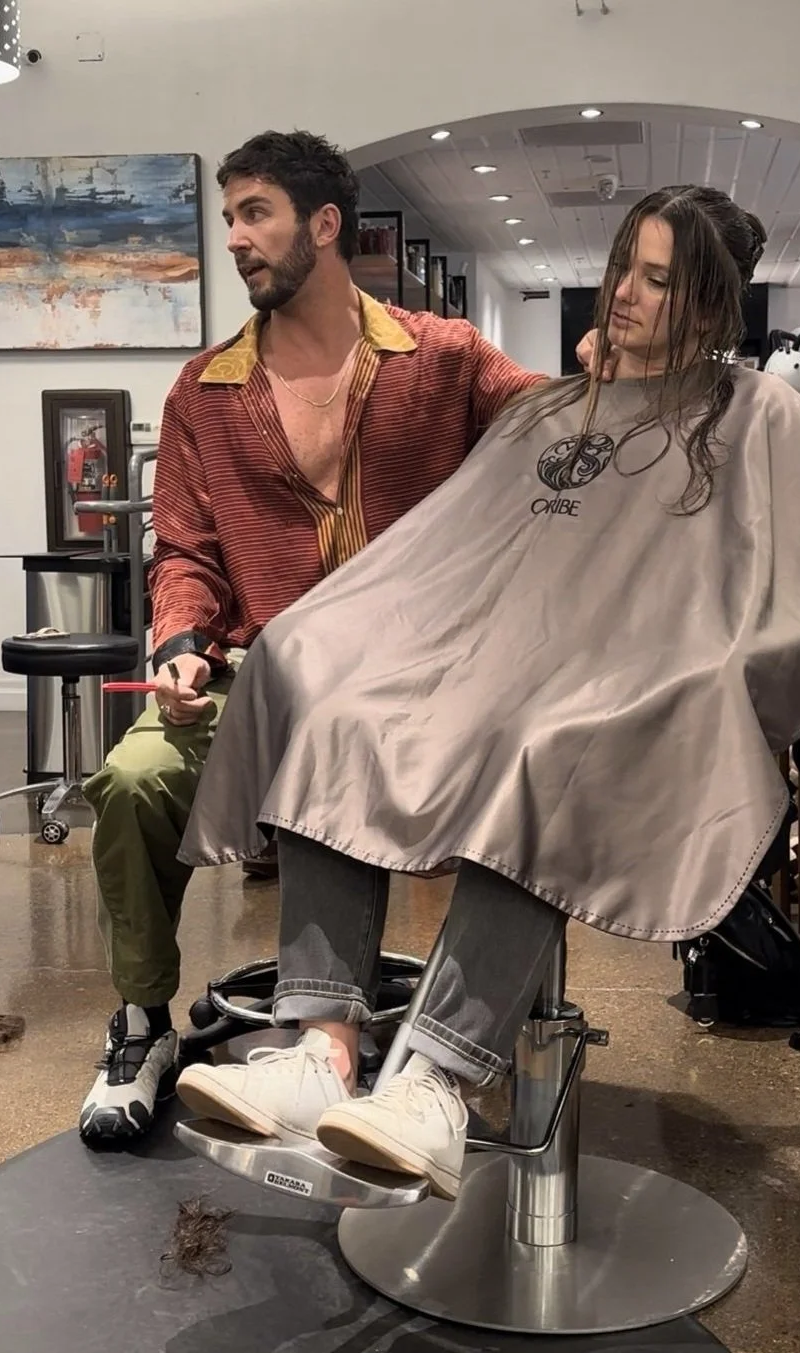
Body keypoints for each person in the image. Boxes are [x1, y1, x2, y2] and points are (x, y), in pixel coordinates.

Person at [172, 185, 800, 1201]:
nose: (622, 293)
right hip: (498, 663)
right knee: (333, 697)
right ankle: (323, 1047)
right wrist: (322, 636)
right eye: (624, 267)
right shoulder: (548, 410)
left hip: (635, 696)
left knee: (547, 744)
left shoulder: (765, 416)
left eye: (656, 280)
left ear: (710, 304)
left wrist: (722, 666)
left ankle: (438, 1079)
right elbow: (451, 552)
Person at [76, 130, 550, 1146]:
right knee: (132, 781)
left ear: (324, 224)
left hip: (421, 689)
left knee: (536, 771)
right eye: (229, 217)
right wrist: (181, 644)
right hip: (260, 680)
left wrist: (622, 375)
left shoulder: (443, 360)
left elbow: (556, 431)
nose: (234, 239)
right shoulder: (204, 392)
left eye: (256, 214)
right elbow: (184, 552)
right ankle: (143, 1022)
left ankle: (402, 1057)